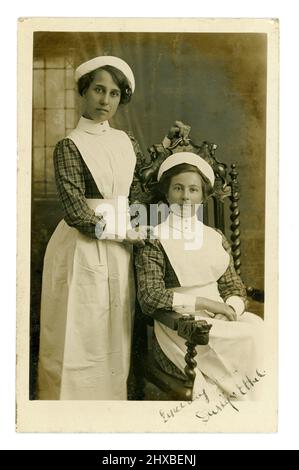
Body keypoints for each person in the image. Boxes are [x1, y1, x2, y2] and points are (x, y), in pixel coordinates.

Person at [38, 56, 152, 400]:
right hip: (81, 250)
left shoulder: (125, 142)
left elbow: (136, 197)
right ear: (83, 92)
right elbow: (76, 212)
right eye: (99, 90)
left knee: (113, 331)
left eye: (114, 94)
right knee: (79, 330)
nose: (105, 100)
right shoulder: (69, 146)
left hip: (120, 250)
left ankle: (109, 411)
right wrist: (125, 233)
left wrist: (139, 226)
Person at [135, 151, 264, 401]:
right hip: (181, 326)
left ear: (203, 196)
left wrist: (231, 309)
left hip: (220, 317)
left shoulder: (214, 236)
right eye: (178, 188)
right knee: (250, 338)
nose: (185, 197)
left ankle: (256, 411)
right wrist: (205, 304)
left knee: (260, 328)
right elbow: (149, 297)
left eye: (193, 190)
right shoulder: (152, 236)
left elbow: (233, 286)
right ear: (167, 192)